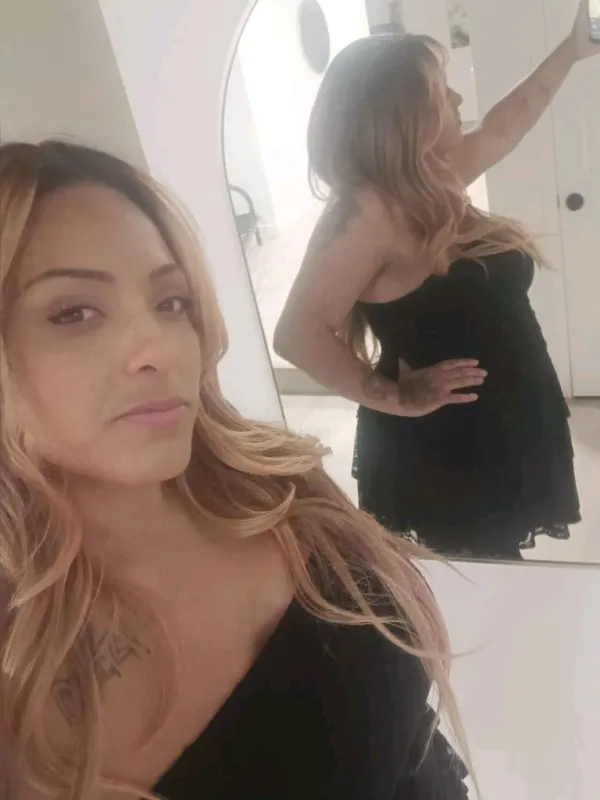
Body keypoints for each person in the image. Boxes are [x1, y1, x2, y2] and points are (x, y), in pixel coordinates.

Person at [0, 140, 472, 799]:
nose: (158, 348)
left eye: (171, 302)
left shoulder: (276, 485)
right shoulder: (19, 683)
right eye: (73, 313)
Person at [275, 1, 599, 560]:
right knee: (479, 579)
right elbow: (297, 334)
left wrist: (572, 49)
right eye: (441, 90)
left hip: (508, 414)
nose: (457, 99)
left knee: (498, 570)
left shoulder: (430, 182)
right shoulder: (365, 212)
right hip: (448, 444)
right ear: (404, 116)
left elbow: (508, 120)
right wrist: (397, 398)